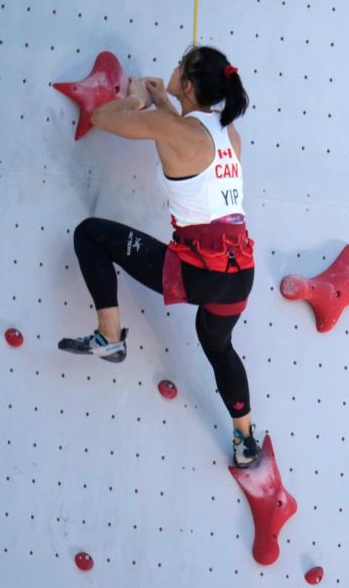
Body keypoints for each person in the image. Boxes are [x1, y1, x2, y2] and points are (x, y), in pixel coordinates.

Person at [58, 45, 262, 468]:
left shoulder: (172, 129)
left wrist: (135, 99)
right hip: (239, 272)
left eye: (179, 67)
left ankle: (109, 335)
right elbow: (190, 136)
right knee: (217, 345)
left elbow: (103, 117)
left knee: (90, 234)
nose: (172, 67)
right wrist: (165, 102)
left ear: (188, 82)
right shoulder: (230, 134)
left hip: (198, 271)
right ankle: (245, 441)